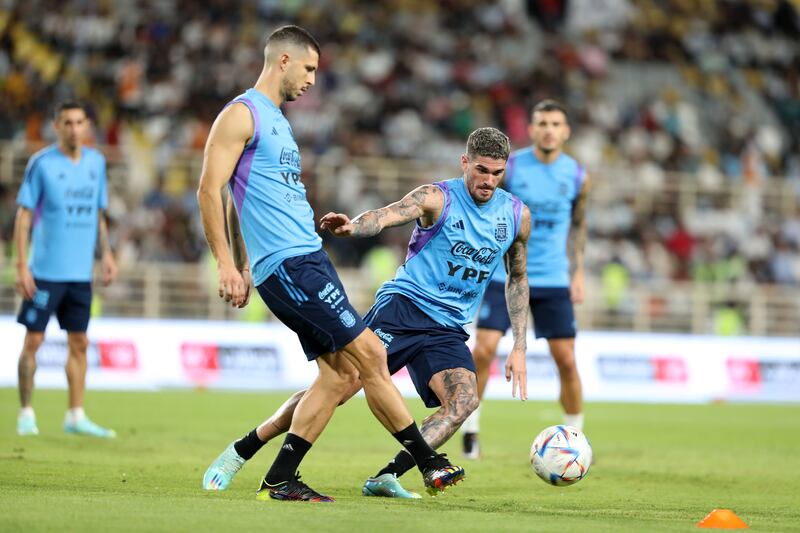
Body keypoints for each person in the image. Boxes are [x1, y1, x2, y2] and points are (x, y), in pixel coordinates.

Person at [196, 25, 463, 502]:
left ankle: (274, 473)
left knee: (341, 374)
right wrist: (227, 264)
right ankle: (428, 460)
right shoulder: (241, 115)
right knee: (372, 356)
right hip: (290, 266)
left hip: (307, 259)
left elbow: (242, 201)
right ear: (283, 61)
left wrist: (240, 259)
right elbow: (209, 189)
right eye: (310, 68)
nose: (313, 80)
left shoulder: (277, 121)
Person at [203, 127, 531, 498]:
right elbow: (386, 215)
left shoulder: (516, 217)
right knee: (338, 385)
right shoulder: (437, 198)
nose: (488, 181)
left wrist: (519, 344)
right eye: (482, 170)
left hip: (449, 327)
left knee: (464, 402)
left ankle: (387, 476)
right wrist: (353, 227)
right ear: (465, 162)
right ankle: (244, 448)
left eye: (497, 173)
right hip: (404, 308)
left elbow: (517, 278)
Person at [461, 99, 590, 459]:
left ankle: (575, 440)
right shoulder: (512, 168)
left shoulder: (578, 175)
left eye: (555, 123)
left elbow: (579, 226)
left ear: (565, 131)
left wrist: (577, 271)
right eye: (542, 123)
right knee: (483, 349)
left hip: (553, 278)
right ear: (531, 130)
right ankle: (471, 430)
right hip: (504, 275)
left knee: (566, 359)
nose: (548, 129)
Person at [14, 101, 118, 437]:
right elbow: (24, 215)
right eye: (67, 123)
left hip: (79, 274)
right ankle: (26, 413)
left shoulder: (96, 163)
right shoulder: (42, 164)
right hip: (44, 271)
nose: (74, 129)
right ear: (57, 126)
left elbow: (98, 214)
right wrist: (21, 266)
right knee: (34, 340)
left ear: (87, 126)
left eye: (79, 122)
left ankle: (75, 415)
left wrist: (107, 254)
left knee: (80, 342)